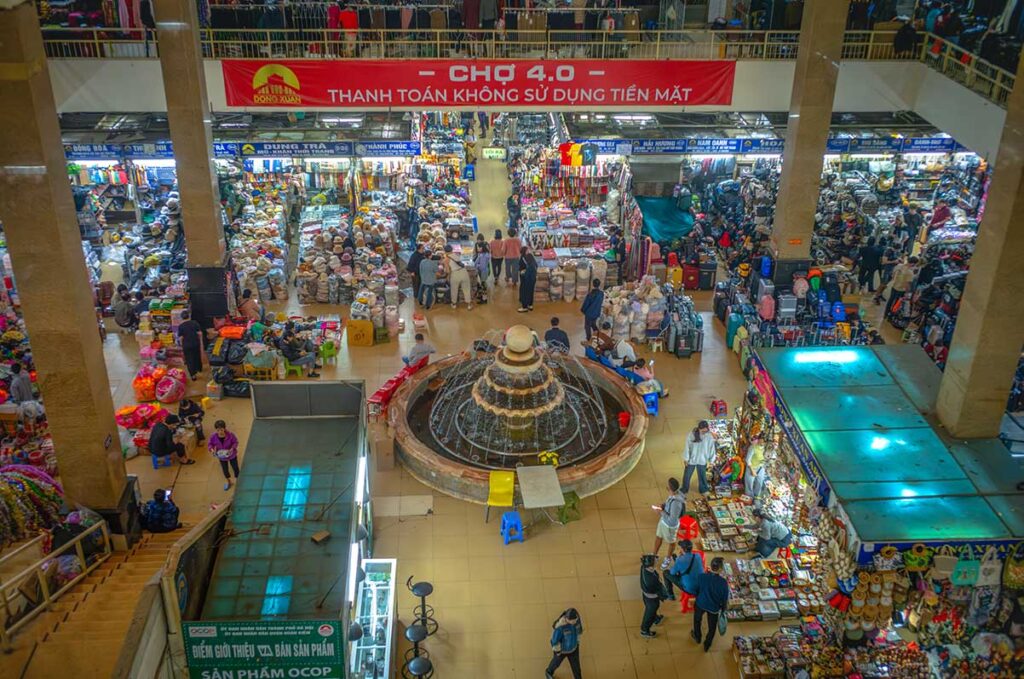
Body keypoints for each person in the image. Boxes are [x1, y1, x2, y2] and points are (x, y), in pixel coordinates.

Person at [691, 557, 730, 652]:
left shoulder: (701, 576)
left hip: (701, 603)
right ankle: (707, 644)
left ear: (710, 566)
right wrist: (723, 608)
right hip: (714, 608)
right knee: (712, 627)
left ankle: (697, 636)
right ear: (720, 569)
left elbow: (696, 589)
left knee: (697, 620)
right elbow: (724, 599)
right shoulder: (723, 583)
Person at [651, 475, 685, 565]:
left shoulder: (677, 503)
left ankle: (668, 558)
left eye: (667, 487)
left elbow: (672, 519)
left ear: (670, 489)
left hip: (670, 526)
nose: (666, 488)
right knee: (658, 537)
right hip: (663, 522)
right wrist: (662, 505)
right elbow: (668, 502)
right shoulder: (673, 495)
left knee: (671, 542)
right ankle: (654, 555)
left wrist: (660, 512)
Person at [545, 608, 583, 679]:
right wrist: (558, 651)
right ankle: (548, 672)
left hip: (574, 649)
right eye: (574, 620)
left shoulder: (576, 622)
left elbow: (579, 632)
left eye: (576, 619)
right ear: (567, 619)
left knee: (576, 667)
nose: (576, 621)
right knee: (556, 663)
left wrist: (577, 643)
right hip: (562, 650)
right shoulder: (560, 627)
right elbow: (555, 641)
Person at [682, 421, 715, 494]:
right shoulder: (691, 435)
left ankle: (703, 489)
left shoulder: (709, 437)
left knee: (702, 475)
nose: (704, 432)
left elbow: (712, 449)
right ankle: (684, 489)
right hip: (691, 460)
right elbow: (687, 447)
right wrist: (686, 459)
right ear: (699, 428)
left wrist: (712, 461)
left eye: (705, 431)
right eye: (702, 430)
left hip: (702, 460)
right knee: (687, 475)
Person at [208, 420, 241, 490]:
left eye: (221, 429)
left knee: (235, 468)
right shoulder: (213, 436)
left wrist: (232, 449)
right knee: (225, 470)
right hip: (221, 457)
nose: (220, 432)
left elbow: (236, 442)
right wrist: (212, 450)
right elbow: (210, 444)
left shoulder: (231, 435)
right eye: (218, 430)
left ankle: (238, 482)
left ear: (225, 428)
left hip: (232, 455)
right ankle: (229, 482)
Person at [639, 554, 666, 638]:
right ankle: (644, 630)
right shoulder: (651, 579)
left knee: (651, 610)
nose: (656, 560)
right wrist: (664, 595)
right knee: (650, 612)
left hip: (646, 595)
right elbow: (658, 588)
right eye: (655, 560)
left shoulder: (643, 567)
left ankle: (655, 619)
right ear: (651, 564)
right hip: (651, 598)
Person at [886, 255, 919, 320]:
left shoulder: (899, 266)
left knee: (890, 300)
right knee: (896, 303)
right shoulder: (910, 273)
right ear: (913, 263)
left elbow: (892, 274)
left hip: (894, 286)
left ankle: (886, 313)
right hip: (901, 289)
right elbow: (907, 284)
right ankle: (891, 316)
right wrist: (907, 292)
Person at [176, 311, 204, 381]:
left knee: (189, 360)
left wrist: (182, 347)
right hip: (195, 343)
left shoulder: (181, 326)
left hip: (187, 345)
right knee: (197, 356)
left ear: (182, 317)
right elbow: (200, 333)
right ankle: (199, 369)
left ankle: (193, 375)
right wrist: (201, 343)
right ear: (189, 316)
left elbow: (181, 338)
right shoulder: (195, 323)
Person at [446, 245, 473, 310]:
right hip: (464, 272)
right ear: (452, 250)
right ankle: (469, 305)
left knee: (454, 289)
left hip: (455, 274)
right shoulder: (456, 255)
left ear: (445, 251)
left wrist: (447, 277)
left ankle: (454, 304)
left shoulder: (446, 259)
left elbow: (447, 271)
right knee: (466, 289)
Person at [744, 434, 767, 499]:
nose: (762, 442)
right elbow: (748, 460)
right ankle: (749, 498)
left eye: (763, 441)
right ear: (758, 440)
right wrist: (752, 471)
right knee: (749, 484)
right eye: (760, 441)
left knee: (759, 483)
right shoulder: (753, 447)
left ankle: (756, 496)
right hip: (751, 467)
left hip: (760, 468)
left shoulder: (766, 448)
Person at [517, 245, 537, 312]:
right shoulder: (531, 256)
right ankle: (530, 305)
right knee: (530, 291)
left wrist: (522, 271)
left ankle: (524, 307)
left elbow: (520, 268)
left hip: (525, 278)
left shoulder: (522, 258)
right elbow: (536, 265)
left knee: (524, 292)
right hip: (532, 277)